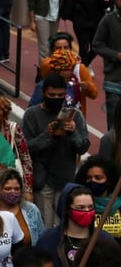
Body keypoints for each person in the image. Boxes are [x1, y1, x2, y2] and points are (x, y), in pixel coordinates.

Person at [22, 72, 90, 228]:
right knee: (45, 225)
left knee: (64, 225)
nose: (56, 98)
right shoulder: (32, 115)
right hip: (43, 179)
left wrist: (73, 132)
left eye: (60, 95)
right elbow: (26, 148)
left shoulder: (75, 116)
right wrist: (48, 135)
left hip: (65, 179)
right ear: (43, 93)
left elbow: (83, 147)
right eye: (51, 94)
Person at [36, 183, 116, 267]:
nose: (87, 211)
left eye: (90, 207)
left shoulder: (105, 240)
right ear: (66, 209)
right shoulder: (49, 239)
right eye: (80, 207)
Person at [69, 0, 111, 66]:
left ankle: (83, 65)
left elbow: (107, 5)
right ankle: (82, 69)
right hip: (81, 24)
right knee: (83, 49)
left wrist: (105, 0)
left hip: (95, 24)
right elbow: (73, 4)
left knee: (96, 48)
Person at [0, 168, 45, 247]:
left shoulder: (31, 209)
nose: (13, 192)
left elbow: (42, 239)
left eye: (16, 189)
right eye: (8, 189)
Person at [94, 0, 121, 131]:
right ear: (115, 0)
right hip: (114, 77)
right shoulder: (108, 20)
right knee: (114, 121)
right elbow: (97, 45)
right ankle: (113, 151)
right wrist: (115, 55)